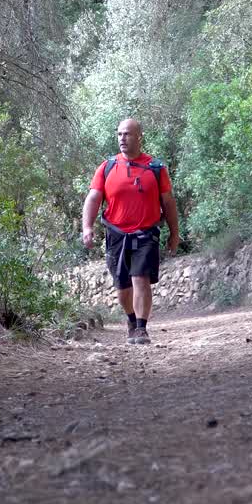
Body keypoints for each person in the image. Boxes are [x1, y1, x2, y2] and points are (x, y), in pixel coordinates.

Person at [82, 117, 179, 345]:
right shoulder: (107, 167)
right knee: (122, 287)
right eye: (119, 134)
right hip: (115, 234)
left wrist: (174, 234)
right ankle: (131, 319)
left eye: (127, 134)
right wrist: (87, 227)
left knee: (140, 279)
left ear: (139, 137)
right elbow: (93, 198)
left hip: (146, 233)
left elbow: (168, 202)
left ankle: (141, 328)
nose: (122, 139)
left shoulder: (156, 168)